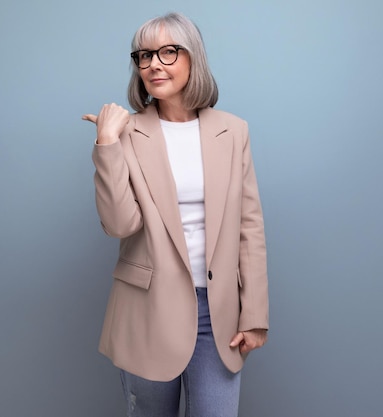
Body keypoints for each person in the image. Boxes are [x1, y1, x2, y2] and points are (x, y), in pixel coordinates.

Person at [82, 12, 268, 417]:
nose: (154, 64)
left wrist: (254, 313)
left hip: (217, 313)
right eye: (144, 55)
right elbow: (119, 224)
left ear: (193, 58)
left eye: (168, 51)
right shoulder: (126, 133)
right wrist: (107, 144)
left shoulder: (233, 131)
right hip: (149, 309)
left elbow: (249, 226)